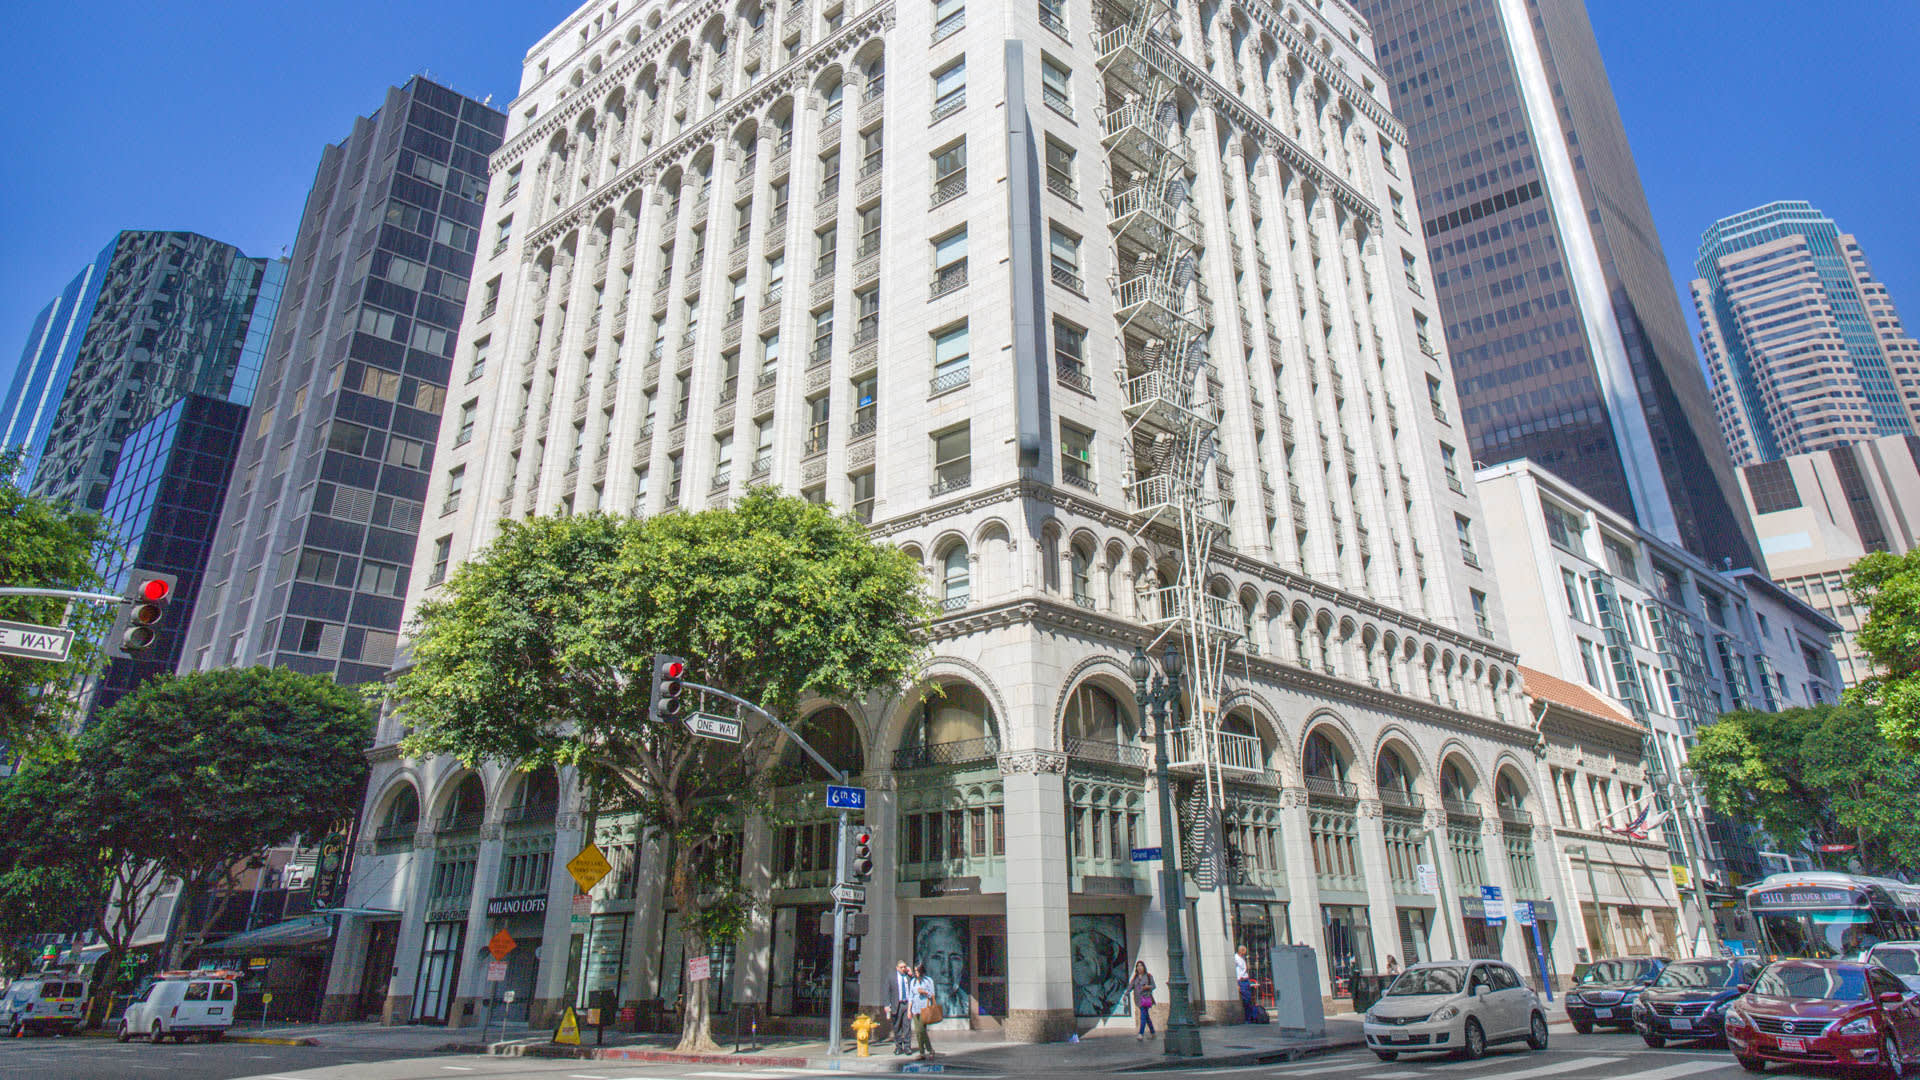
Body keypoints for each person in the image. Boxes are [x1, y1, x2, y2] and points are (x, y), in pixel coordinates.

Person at [908, 963, 937, 1060]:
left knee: (921, 1030)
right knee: (918, 1031)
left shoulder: (928, 981)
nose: (916, 973)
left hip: (925, 1007)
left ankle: (929, 1049)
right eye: (915, 971)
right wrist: (909, 1010)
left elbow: (932, 994)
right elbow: (910, 997)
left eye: (917, 971)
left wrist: (924, 992)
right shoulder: (913, 982)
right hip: (915, 1008)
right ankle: (922, 1052)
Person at [887, 959, 914, 1055]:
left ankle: (907, 1047)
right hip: (896, 1004)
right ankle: (898, 1047)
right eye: (901, 967)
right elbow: (888, 991)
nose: (903, 969)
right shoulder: (892, 977)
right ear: (897, 968)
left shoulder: (908, 977)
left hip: (906, 1004)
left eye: (904, 967)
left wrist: (911, 974)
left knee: (907, 1027)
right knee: (897, 1027)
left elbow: (916, 984)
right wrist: (887, 1004)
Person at [1129, 961, 1157, 1040]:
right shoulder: (1135, 977)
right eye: (1138, 966)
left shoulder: (1148, 976)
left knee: (1143, 1016)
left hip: (1146, 998)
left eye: (1141, 966)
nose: (1139, 967)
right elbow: (1131, 986)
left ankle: (1141, 1033)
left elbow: (1154, 986)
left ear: (1144, 967)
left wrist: (1147, 987)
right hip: (1138, 999)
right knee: (1146, 1016)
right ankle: (1153, 1032)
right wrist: (1126, 994)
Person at [1235, 944, 1257, 1022]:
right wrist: (1237, 983)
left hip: (1246, 980)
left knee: (1249, 999)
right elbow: (1235, 971)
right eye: (1243, 952)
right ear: (1240, 951)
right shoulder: (1236, 958)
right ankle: (1247, 1018)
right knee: (1246, 999)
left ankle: (1250, 1017)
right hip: (1241, 980)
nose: (1244, 954)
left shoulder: (1243, 958)